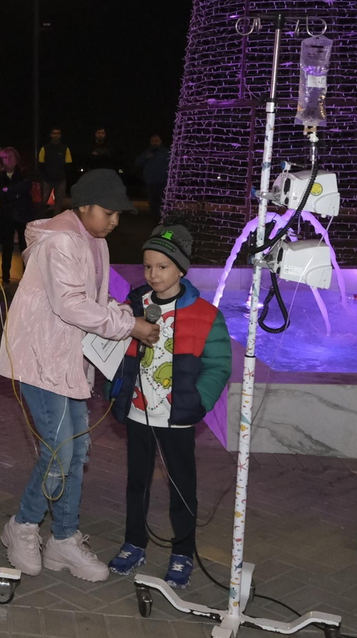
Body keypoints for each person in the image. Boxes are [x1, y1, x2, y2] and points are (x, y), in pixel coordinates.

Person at [0, 169, 155, 582]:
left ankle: (63, 539)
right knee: (59, 450)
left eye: (120, 214)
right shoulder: (63, 239)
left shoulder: (93, 239)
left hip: (68, 358)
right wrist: (128, 325)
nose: (115, 221)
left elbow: (91, 300)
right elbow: (71, 305)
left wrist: (121, 313)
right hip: (40, 357)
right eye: (109, 212)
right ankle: (24, 525)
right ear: (83, 206)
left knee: (76, 451)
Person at [107, 223, 231, 588]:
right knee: (137, 482)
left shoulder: (205, 314)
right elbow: (114, 349)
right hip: (137, 412)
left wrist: (198, 401)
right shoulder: (133, 306)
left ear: (180, 269)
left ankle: (182, 549)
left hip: (177, 419)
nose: (153, 274)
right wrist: (116, 385)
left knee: (182, 486)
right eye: (147, 266)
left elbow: (219, 363)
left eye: (162, 267)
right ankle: (134, 541)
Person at [0, 147, 34, 284]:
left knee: (24, 246)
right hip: (6, 216)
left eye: (11, 157)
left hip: (21, 214)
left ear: (16, 159)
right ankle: (5, 277)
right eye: (5, 158)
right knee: (6, 247)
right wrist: (14, 192)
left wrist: (8, 190)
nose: (8, 161)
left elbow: (25, 187)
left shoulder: (23, 173)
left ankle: (28, 277)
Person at [135, 135, 171, 219]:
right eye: (153, 141)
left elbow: (172, 166)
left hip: (163, 182)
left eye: (156, 141)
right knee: (153, 203)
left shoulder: (166, 152)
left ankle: (164, 219)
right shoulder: (146, 153)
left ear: (160, 141)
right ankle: (155, 220)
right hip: (150, 182)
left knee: (163, 202)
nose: (154, 143)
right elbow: (137, 163)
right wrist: (146, 157)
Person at [38, 128, 72, 211]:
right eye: (54, 133)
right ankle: (41, 219)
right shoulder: (44, 148)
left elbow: (68, 164)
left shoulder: (65, 149)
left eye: (58, 133)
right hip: (47, 180)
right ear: (51, 135)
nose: (56, 135)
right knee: (44, 201)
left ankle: (57, 221)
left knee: (59, 203)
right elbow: (40, 163)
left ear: (60, 135)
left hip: (60, 180)